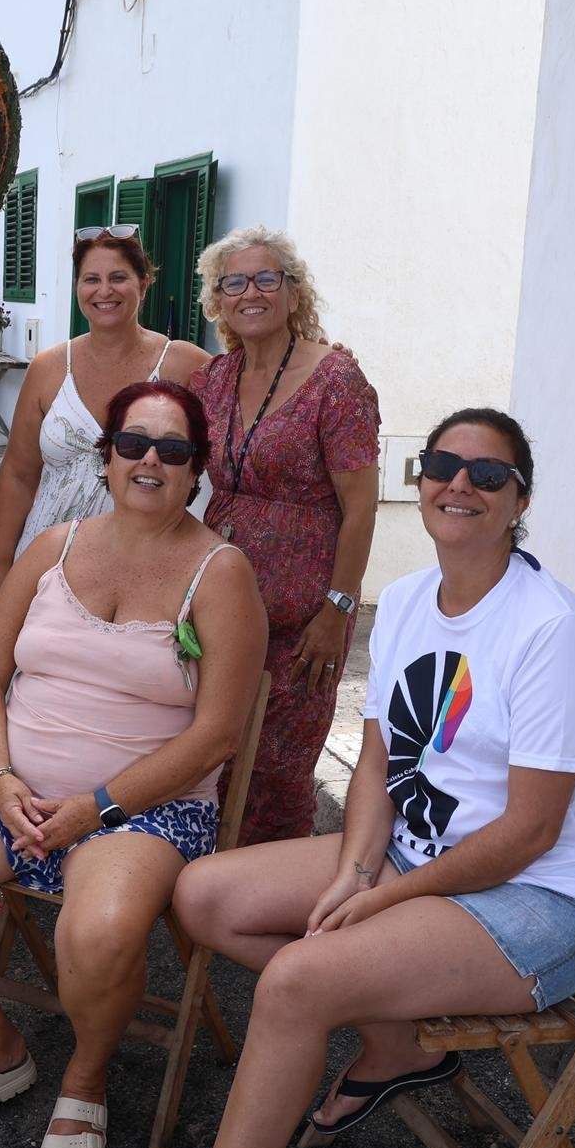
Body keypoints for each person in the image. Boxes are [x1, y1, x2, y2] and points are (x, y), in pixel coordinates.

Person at [174, 407, 575, 1148]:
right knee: (203, 896)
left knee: (294, 983)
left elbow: (529, 833)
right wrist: (355, 869)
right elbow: (381, 754)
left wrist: (385, 899)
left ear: (520, 501)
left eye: (487, 476)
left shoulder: (550, 631)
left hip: (539, 903)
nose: (458, 485)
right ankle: (396, 1047)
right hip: (421, 861)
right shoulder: (410, 599)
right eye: (441, 466)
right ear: (418, 481)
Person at [0, 381, 265, 1148]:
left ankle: (84, 1081)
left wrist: (97, 806)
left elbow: (217, 733)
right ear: (105, 454)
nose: (149, 460)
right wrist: (4, 777)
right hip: (16, 791)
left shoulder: (220, 574)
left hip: (145, 811)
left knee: (92, 934)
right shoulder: (52, 545)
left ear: (198, 470)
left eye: (173, 449)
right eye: (132, 443)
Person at [190, 226, 380, 843]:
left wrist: (338, 608)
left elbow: (360, 507)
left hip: (305, 620)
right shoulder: (215, 379)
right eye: (234, 282)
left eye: (266, 278)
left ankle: (274, 914)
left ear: (293, 293)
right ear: (218, 300)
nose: (251, 292)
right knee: (211, 751)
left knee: (279, 769)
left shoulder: (337, 381)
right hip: (220, 606)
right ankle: (207, 894)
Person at [0, 226, 209, 603]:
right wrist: (0, 567)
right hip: (44, 559)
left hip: (143, 564)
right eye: (91, 279)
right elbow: (19, 474)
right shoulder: (49, 368)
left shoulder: (184, 364)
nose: (104, 291)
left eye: (118, 277)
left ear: (145, 282)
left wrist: (313, 354)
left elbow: (253, 390)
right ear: (77, 287)